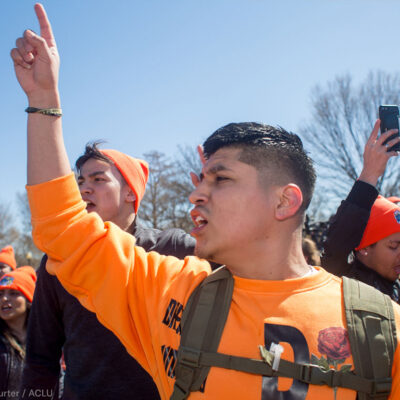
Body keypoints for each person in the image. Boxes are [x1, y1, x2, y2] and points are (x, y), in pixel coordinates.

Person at [11, 4, 400, 399]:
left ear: (284, 202)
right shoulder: (171, 289)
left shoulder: (381, 326)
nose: (196, 193)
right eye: (203, 180)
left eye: (222, 179)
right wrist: (44, 100)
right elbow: (63, 231)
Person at [19, 142, 196, 400]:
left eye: (98, 179)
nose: (83, 189)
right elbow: (40, 359)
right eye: (80, 182)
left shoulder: (173, 247)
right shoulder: (60, 260)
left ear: (130, 193)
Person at [322, 122, 400, 302]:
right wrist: (370, 174)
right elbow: (337, 243)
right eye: (393, 246)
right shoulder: (342, 282)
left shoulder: (395, 288)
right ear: (364, 248)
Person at [0, 267, 36, 400]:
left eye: (13, 293)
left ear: (28, 300)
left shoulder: (44, 339)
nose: (4, 298)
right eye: (0, 294)